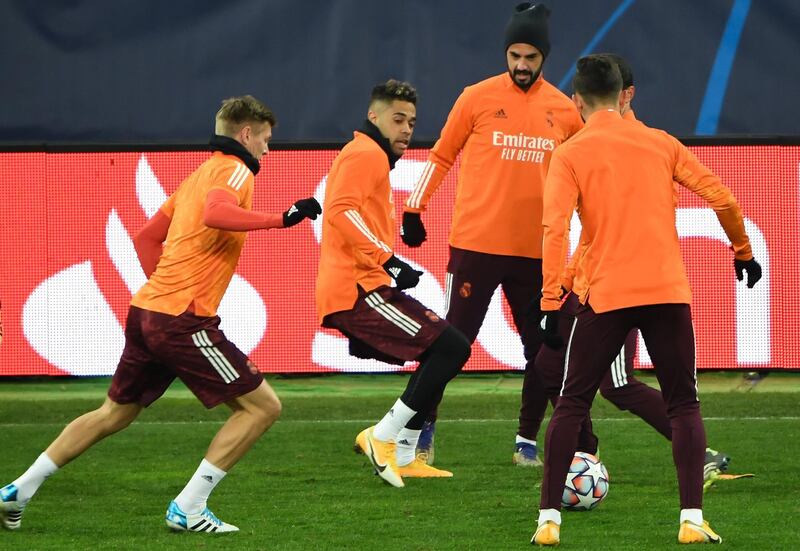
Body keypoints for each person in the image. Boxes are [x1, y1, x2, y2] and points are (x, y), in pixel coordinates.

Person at [0, 95, 322, 533]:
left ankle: (19, 489)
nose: (269, 149)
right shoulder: (234, 168)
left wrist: (166, 289)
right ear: (246, 135)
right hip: (181, 318)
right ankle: (188, 508)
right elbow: (216, 214)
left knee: (113, 414)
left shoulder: (196, 176)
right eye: (266, 139)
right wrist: (282, 219)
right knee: (261, 408)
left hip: (149, 310)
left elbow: (145, 239)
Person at [531, 55, 762, 545]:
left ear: (576, 101)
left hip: (606, 294)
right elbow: (722, 197)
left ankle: (549, 520)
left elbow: (554, 230)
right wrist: (741, 251)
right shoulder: (660, 143)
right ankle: (692, 522)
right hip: (665, 293)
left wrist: (551, 300)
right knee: (684, 406)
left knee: (572, 402)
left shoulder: (570, 153)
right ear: (622, 96)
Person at [401, 2, 583, 466]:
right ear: (506, 52)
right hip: (475, 248)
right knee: (449, 344)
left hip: (537, 253)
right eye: (515, 56)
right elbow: (441, 155)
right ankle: (418, 437)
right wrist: (413, 207)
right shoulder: (476, 97)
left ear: (545, 57)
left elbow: (587, 175)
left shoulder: (564, 111)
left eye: (531, 58)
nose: (521, 66)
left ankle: (526, 442)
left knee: (542, 352)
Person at [317, 79, 471, 487]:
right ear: (374, 116)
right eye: (397, 119)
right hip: (357, 288)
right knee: (451, 346)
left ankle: (404, 454)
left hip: (365, 283)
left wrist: (390, 245)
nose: (406, 129)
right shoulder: (365, 153)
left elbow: (352, 214)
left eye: (412, 121)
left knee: (441, 349)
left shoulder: (370, 156)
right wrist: (389, 259)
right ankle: (382, 437)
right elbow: (339, 212)